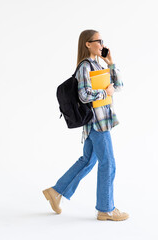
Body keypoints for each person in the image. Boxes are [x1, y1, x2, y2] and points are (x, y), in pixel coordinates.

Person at [43, 29, 128, 221]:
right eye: (97, 41)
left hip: (99, 121)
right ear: (87, 44)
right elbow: (84, 95)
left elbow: (119, 86)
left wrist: (111, 62)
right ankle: (106, 209)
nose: (101, 44)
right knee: (108, 163)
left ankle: (56, 192)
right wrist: (105, 93)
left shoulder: (98, 65)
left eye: (102, 40)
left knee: (88, 161)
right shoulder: (85, 67)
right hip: (97, 123)